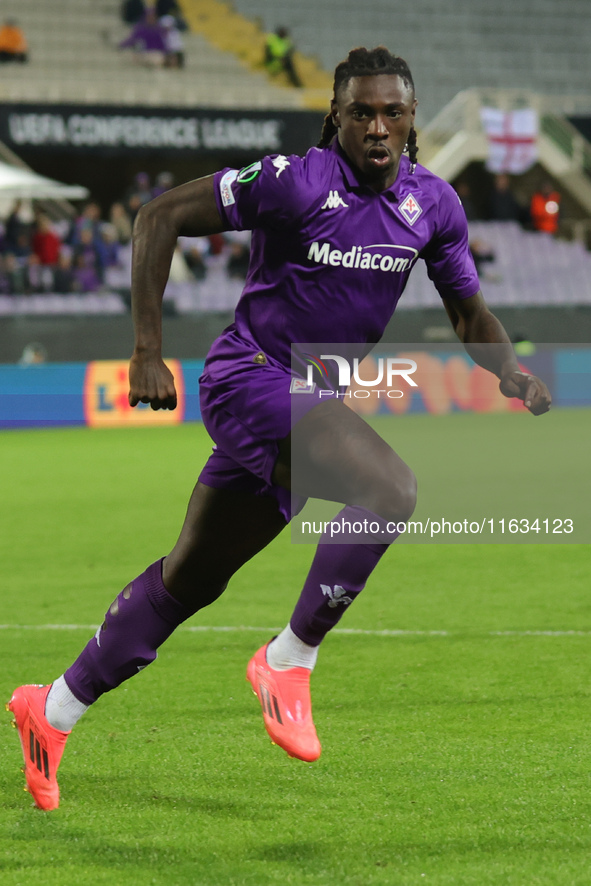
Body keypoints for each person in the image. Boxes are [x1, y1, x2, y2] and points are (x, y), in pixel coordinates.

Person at [7, 46, 551, 811]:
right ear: (336, 115)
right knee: (390, 488)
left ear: (410, 118)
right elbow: (158, 215)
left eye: (390, 111)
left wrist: (506, 370)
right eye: (359, 111)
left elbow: (467, 309)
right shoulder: (293, 181)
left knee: (188, 580)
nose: (375, 126)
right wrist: (145, 349)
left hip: (309, 397)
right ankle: (288, 661)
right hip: (249, 379)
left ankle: (50, 709)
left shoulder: (433, 205)